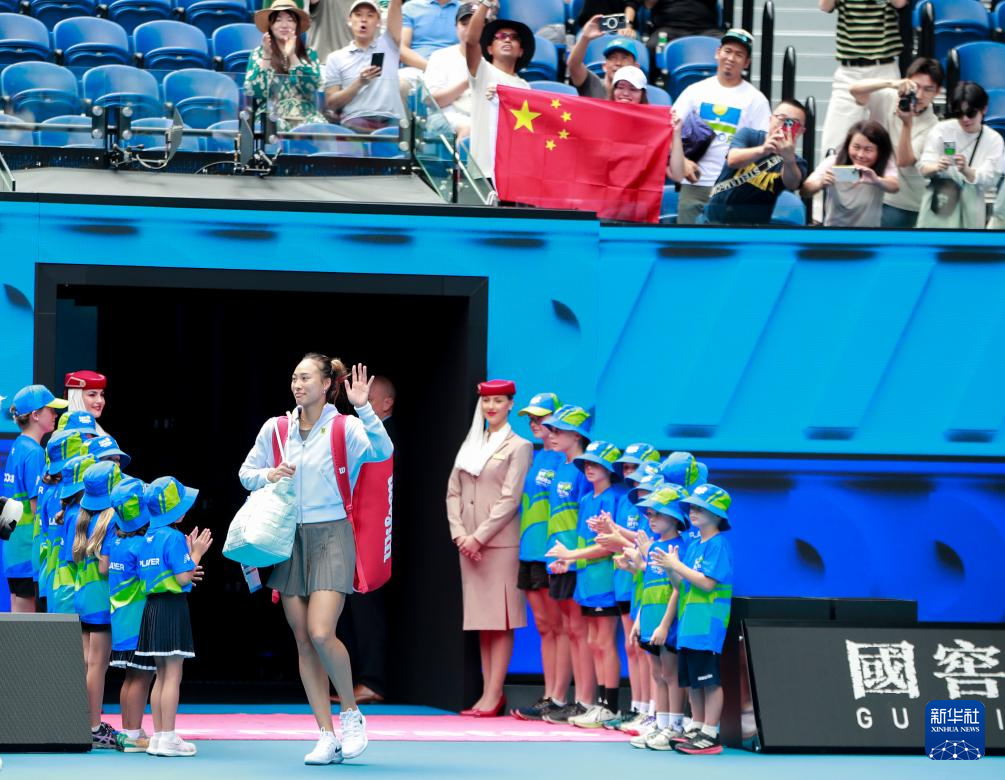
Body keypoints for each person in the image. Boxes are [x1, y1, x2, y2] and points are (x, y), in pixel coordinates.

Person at [239, 355, 393, 765]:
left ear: (327, 384)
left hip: (332, 534)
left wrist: (364, 408)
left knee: (322, 632)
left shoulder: (346, 427)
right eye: (294, 377)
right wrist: (269, 475)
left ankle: (351, 714)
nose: (297, 384)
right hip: (288, 536)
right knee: (303, 640)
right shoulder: (277, 428)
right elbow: (246, 473)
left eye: (305, 377)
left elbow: (383, 451)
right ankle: (326, 735)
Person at [447, 379, 533, 716]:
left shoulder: (519, 446)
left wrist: (478, 537)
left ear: (511, 404)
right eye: (486, 401)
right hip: (468, 544)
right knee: (483, 621)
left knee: (501, 620)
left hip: (498, 545)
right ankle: (487, 693)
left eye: (498, 401)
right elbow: (453, 492)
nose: (491, 407)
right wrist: (460, 534)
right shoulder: (472, 442)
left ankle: (494, 693)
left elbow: (510, 499)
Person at [652, 483, 733, 755]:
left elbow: (708, 583)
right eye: (692, 507)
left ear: (717, 515)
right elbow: (682, 584)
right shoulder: (695, 545)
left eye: (700, 508)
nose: (693, 512)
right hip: (689, 625)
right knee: (693, 681)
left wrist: (677, 566)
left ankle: (710, 733)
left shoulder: (718, 544)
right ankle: (696, 726)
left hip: (707, 624)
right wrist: (670, 569)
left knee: (709, 680)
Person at [548, 440, 624, 728]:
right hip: (586, 583)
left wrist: (572, 556)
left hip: (605, 581)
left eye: (597, 464)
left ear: (609, 469)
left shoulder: (613, 499)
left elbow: (608, 546)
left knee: (604, 642)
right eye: (588, 464)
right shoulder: (586, 499)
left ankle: (610, 706)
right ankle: (598, 705)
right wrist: (568, 562)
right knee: (593, 642)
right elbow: (585, 543)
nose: (590, 468)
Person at [135, 477, 212, 758]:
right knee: (173, 675)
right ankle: (168, 737)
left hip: (152, 609)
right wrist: (197, 553)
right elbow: (182, 578)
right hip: (171, 608)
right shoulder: (174, 537)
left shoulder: (148, 537)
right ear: (173, 511)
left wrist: (188, 559)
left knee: (161, 675)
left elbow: (169, 572)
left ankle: (159, 736)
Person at [335, 372, 394, 706]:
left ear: (387, 404)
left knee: (368, 610)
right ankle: (359, 678)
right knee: (350, 612)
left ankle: (372, 680)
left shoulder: (385, 438)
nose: (362, 406)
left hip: (374, 539)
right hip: (354, 531)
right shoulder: (355, 433)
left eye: (369, 400)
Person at [670, 29, 770, 224]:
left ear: (747, 63)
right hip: (694, 186)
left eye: (739, 54)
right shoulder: (694, 91)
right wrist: (682, 160)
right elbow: (669, 129)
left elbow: (763, 149)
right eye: (727, 51)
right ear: (718, 53)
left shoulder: (756, 100)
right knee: (687, 241)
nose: (731, 58)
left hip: (733, 190)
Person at [510, 392, 569, 722]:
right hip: (529, 551)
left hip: (552, 553)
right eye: (531, 419)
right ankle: (549, 695)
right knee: (545, 627)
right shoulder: (536, 456)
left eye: (541, 418)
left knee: (560, 626)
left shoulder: (565, 460)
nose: (534, 424)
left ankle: (559, 697)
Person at [539, 404, 593, 725]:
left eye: (559, 431)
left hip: (574, 561)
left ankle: (585, 701)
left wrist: (573, 557)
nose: (553, 435)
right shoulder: (562, 465)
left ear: (577, 435)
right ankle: (572, 700)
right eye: (553, 430)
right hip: (558, 559)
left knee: (580, 630)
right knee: (571, 630)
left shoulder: (584, 472)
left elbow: (586, 520)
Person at [628, 485, 689, 750]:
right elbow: (649, 586)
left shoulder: (680, 547)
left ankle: (674, 727)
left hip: (667, 624)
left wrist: (665, 625)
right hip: (650, 621)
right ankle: (661, 724)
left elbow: (678, 589)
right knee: (657, 674)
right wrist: (639, 620)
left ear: (674, 517)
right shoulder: (653, 546)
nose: (650, 519)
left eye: (658, 514)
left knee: (671, 674)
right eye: (649, 514)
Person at [849, 57, 944, 228]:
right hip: (872, 190)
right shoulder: (888, 97)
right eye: (916, 87)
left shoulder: (934, 126)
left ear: (937, 92)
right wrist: (891, 83)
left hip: (904, 202)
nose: (920, 95)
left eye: (928, 89)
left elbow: (904, 161)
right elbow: (854, 90)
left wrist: (907, 124)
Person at [104, 477, 157, 754]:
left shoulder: (116, 542)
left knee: (130, 678)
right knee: (141, 678)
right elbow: (153, 581)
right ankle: (134, 734)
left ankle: (127, 731)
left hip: (122, 624)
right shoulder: (141, 546)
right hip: (138, 625)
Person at [3, 384, 66, 613]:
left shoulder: (19, 445)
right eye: (50, 409)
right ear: (35, 415)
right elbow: (37, 508)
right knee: (23, 627)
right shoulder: (35, 453)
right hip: (27, 551)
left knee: (18, 620)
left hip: (14, 550)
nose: (55, 414)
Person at [609, 443, 659, 727]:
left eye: (635, 467)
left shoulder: (655, 506)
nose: (629, 472)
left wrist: (616, 534)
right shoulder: (627, 500)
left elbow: (647, 543)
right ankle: (638, 707)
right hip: (628, 582)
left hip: (647, 586)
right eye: (626, 467)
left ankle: (654, 712)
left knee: (649, 651)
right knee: (633, 647)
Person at [819, 0, 909, 157]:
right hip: (849, 70)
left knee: (887, 133)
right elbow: (825, 6)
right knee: (835, 138)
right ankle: (835, 173)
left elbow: (900, 3)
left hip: (883, 67)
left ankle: (883, 173)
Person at [74, 461, 123, 749]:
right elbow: (106, 567)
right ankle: (93, 726)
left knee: (86, 663)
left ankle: (83, 723)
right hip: (101, 601)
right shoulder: (111, 521)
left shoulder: (83, 517)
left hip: (84, 597)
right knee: (97, 665)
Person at [701, 99, 809, 226]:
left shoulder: (797, 162)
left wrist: (788, 158)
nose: (786, 126)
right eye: (781, 118)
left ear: (801, 131)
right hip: (713, 221)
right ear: (771, 119)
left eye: (793, 123)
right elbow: (732, 160)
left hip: (753, 228)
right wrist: (763, 150)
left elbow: (792, 184)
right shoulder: (749, 135)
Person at [919, 81, 1005, 230]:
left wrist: (967, 170)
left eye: (971, 113)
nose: (965, 119)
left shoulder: (993, 139)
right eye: (959, 113)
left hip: (972, 204)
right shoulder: (942, 129)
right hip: (941, 200)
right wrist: (936, 166)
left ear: (984, 109)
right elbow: (924, 167)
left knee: (969, 243)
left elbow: (991, 180)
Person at [464, 1, 534, 182]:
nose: (507, 39)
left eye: (514, 37)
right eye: (501, 36)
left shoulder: (526, 87)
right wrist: (485, 4)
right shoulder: (482, 71)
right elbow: (471, 42)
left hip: (514, 174)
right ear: (489, 49)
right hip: (484, 171)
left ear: (521, 51)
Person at [324, 0, 405, 132]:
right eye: (358, 15)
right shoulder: (335, 58)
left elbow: (395, 5)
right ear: (349, 20)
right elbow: (331, 104)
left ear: (379, 22)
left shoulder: (389, 45)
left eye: (370, 15)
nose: (364, 20)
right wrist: (359, 82)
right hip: (355, 120)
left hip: (391, 120)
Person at [246, 0, 326, 133]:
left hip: (305, 114)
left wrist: (292, 56)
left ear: (297, 25)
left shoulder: (309, 54)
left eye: (290, 20)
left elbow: (312, 87)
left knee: (319, 126)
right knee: (277, 125)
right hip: (271, 113)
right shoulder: (257, 54)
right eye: (278, 20)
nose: (284, 25)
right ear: (270, 25)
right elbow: (254, 91)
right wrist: (267, 56)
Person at [802, 119, 899, 227]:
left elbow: (894, 186)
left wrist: (876, 180)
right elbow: (805, 190)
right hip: (835, 231)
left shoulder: (883, 164)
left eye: (868, 150)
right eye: (856, 147)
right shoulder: (833, 162)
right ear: (848, 145)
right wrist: (820, 182)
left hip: (869, 232)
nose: (860, 155)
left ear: (880, 151)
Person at [425, 2, 484, 137]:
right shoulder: (440, 56)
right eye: (464, 24)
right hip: (446, 116)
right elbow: (434, 102)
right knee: (469, 128)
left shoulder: (491, 59)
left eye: (475, 23)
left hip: (482, 117)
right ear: (456, 27)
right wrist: (469, 81)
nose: (470, 28)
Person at [567, 19, 645, 101]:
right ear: (604, 66)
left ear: (636, 67)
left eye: (624, 58)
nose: (618, 63)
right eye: (613, 58)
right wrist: (585, 38)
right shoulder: (592, 84)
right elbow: (574, 65)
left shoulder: (639, 92)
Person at [626, 0, 722, 60]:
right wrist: (627, 25)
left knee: (725, 46)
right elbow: (634, 4)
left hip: (705, 30)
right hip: (668, 30)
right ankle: (651, 84)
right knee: (653, 46)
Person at [400, 0, 461, 74]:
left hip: (453, 71)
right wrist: (433, 68)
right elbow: (402, 49)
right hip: (415, 69)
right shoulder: (410, 7)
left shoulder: (465, 11)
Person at [63, 370, 108, 436]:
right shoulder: (62, 436)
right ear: (75, 398)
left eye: (102, 394)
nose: (100, 400)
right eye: (92, 395)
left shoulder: (104, 434)